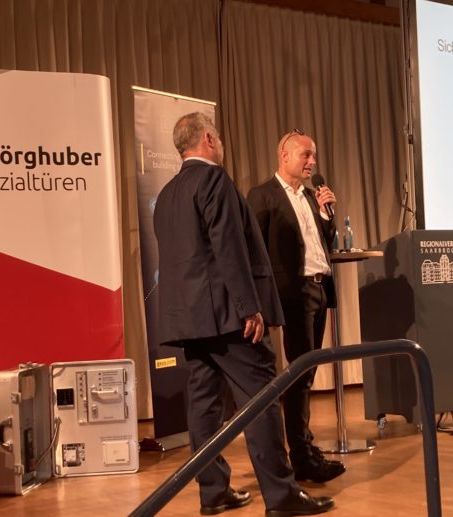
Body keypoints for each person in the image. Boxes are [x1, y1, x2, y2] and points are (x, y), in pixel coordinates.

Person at [154, 113, 335, 516]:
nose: (220, 143)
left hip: (190, 320)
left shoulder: (166, 194)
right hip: (228, 316)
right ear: (208, 139)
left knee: (204, 406)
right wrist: (248, 306)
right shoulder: (214, 180)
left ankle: (213, 491)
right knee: (262, 398)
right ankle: (282, 495)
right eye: (217, 137)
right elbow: (229, 247)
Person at [247, 130, 346, 483]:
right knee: (299, 374)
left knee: (307, 372)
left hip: (319, 289)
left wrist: (326, 216)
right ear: (285, 156)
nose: (312, 162)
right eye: (306, 154)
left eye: (313, 155)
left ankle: (305, 447)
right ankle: (301, 457)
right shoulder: (263, 195)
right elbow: (254, 252)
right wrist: (259, 302)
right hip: (293, 293)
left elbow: (323, 243)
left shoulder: (309, 196)